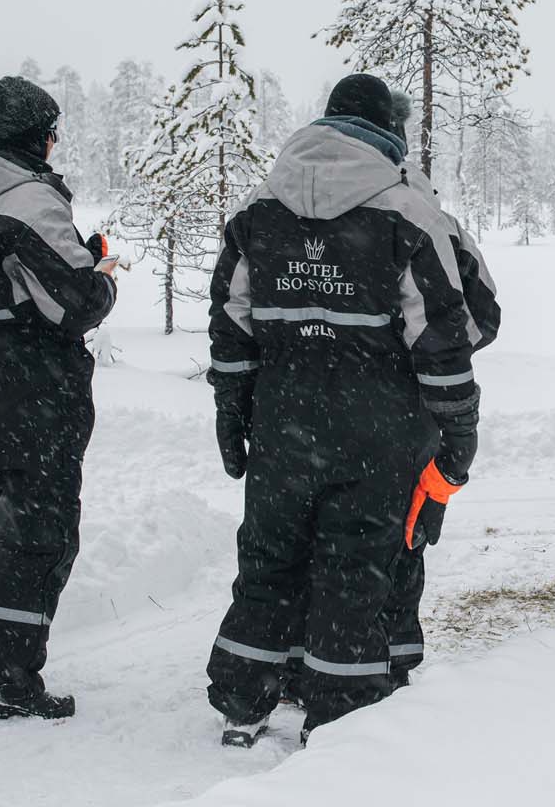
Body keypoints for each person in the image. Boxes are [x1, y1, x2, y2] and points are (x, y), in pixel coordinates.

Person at [205, 73, 482, 746]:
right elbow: (449, 336)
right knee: (356, 566)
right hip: (380, 423)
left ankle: (243, 697)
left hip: (282, 416)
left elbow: (232, 323)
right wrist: (460, 432)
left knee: (270, 557)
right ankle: (341, 717)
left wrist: (232, 409)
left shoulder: (258, 209)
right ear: (390, 132)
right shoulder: (408, 212)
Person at [0, 76, 117, 720]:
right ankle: (6, 677)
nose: (58, 142)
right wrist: (100, 275)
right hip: (29, 377)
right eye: (54, 130)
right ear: (38, 134)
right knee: (37, 527)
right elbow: (75, 303)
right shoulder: (31, 200)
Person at [381, 92, 501, 687]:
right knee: (408, 528)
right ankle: (395, 653)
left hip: (318, 405)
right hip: (414, 405)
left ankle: (315, 655)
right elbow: (482, 315)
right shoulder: (429, 217)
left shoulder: (300, 204)